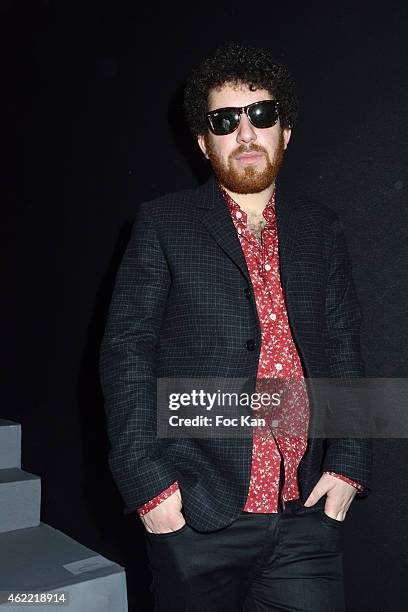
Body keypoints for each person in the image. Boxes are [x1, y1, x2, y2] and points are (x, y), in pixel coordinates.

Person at [99, 42, 372, 612]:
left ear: (286, 131)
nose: (245, 132)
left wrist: (349, 462)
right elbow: (126, 352)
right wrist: (147, 483)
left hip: (304, 512)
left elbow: (345, 348)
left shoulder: (323, 229)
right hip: (196, 512)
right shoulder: (163, 222)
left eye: (262, 114)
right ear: (204, 143)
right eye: (225, 120)